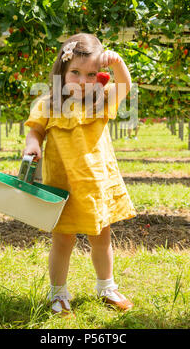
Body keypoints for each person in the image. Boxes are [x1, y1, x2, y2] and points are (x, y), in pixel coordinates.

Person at [23, 33, 136, 316]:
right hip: (63, 185)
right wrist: (33, 144)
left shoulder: (102, 101)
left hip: (97, 182)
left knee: (102, 236)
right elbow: (35, 130)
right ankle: (58, 293)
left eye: (90, 74)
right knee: (63, 239)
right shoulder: (48, 104)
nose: (83, 81)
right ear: (62, 71)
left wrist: (118, 64)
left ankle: (106, 286)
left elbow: (125, 85)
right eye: (75, 72)